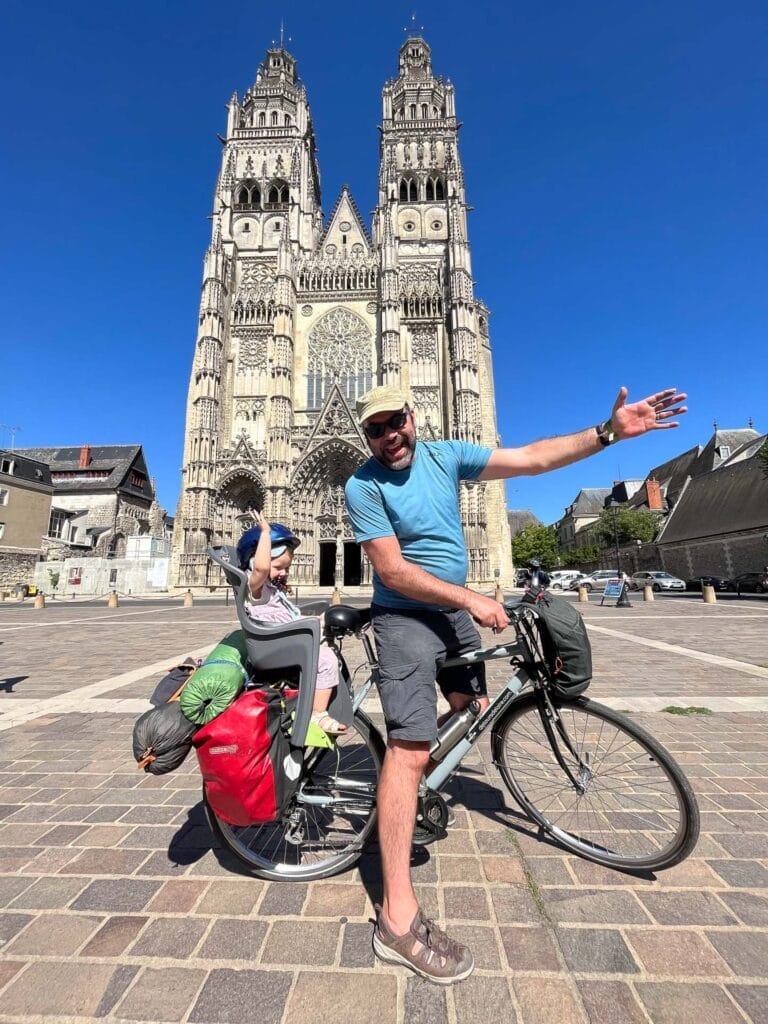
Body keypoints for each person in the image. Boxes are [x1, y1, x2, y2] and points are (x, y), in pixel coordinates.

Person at [344, 382, 687, 984]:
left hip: (453, 610)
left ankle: (418, 791)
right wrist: (470, 598)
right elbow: (393, 569)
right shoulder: (362, 484)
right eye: (376, 429)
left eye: (395, 421)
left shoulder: (446, 455)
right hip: (404, 614)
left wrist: (608, 433)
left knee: (472, 705)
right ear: (367, 436)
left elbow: (531, 459)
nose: (389, 435)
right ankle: (397, 920)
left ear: (412, 415)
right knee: (410, 746)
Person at [237, 511, 346, 735]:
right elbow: (262, 568)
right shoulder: (254, 588)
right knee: (326, 659)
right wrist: (265, 534)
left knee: (329, 625)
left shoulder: (272, 590)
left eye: (287, 567)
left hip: (287, 637)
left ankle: (326, 694)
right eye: (279, 567)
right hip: (278, 644)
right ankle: (317, 714)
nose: (284, 572)